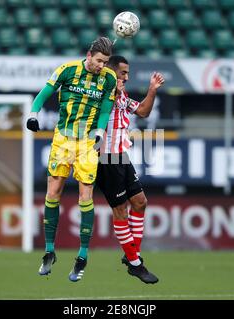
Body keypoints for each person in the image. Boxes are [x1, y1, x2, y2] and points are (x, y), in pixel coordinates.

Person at [26, 37, 117, 282]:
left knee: (85, 196)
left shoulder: (109, 78)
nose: (102, 65)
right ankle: (48, 251)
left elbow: (106, 109)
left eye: (105, 62)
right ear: (89, 55)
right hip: (63, 140)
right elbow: (44, 93)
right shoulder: (67, 70)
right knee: (53, 193)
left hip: (87, 142)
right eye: (99, 60)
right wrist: (33, 114)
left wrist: (99, 131)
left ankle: (82, 255)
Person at [96, 55, 165, 284]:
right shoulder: (101, 90)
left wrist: (152, 89)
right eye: (123, 72)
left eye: (127, 72)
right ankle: (136, 264)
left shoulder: (122, 94)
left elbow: (143, 112)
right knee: (120, 212)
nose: (127, 76)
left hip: (121, 157)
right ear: (112, 72)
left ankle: (131, 255)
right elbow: (102, 106)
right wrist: (112, 87)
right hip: (105, 159)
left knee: (140, 202)